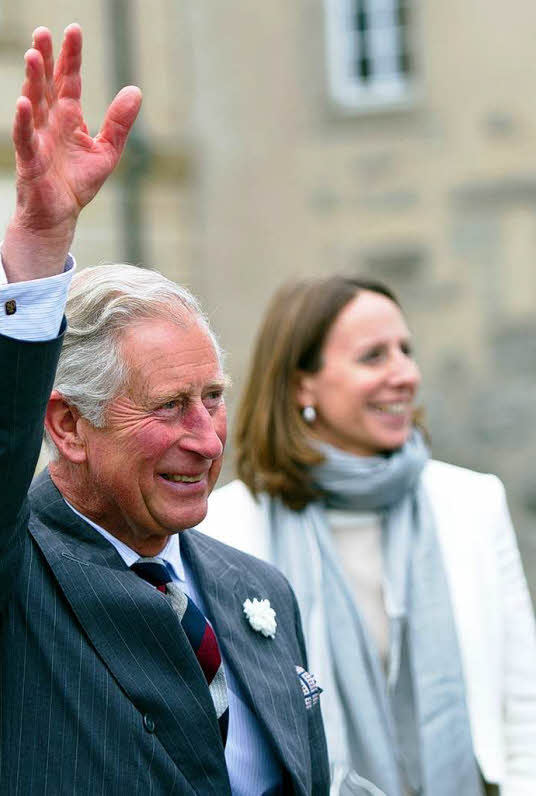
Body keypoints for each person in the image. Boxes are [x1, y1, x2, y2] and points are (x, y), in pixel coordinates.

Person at [0, 24, 329, 795]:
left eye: (212, 399)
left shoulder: (255, 587)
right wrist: (38, 242)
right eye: (168, 406)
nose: (204, 438)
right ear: (66, 426)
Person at [198, 276, 536, 795]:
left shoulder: (472, 503)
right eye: (373, 356)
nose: (405, 374)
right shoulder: (225, 526)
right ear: (301, 383)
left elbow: (524, 699)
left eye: (406, 350)